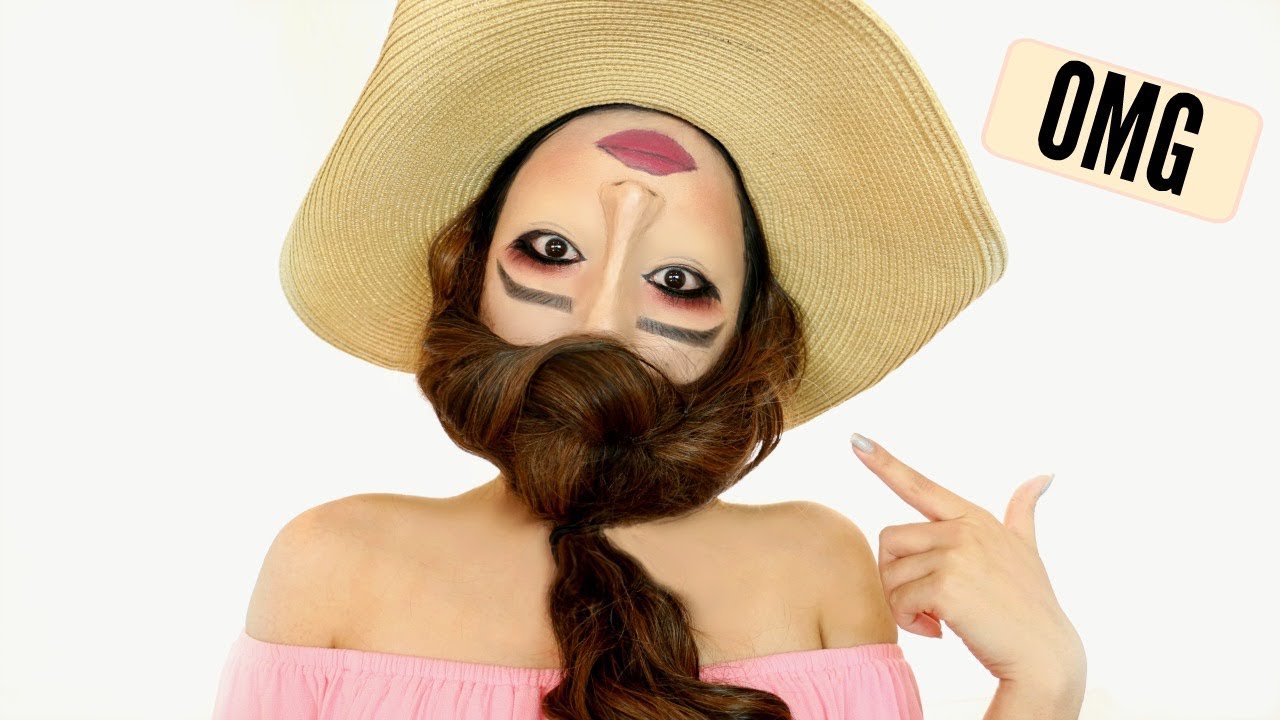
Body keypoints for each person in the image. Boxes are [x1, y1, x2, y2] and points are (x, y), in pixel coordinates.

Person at [213, 2, 1085, 719]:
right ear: (469, 276)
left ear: (748, 333)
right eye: (552, 250)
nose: (600, 323)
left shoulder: (817, 565)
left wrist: (1043, 683)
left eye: (677, 281)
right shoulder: (333, 566)